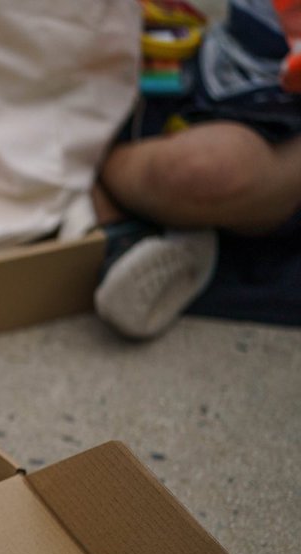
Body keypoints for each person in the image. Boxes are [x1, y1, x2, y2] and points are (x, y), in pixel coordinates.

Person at [92, 0, 301, 339]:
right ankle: (125, 225)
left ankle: (120, 223)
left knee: (207, 172)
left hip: (269, 132)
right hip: (229, 67)